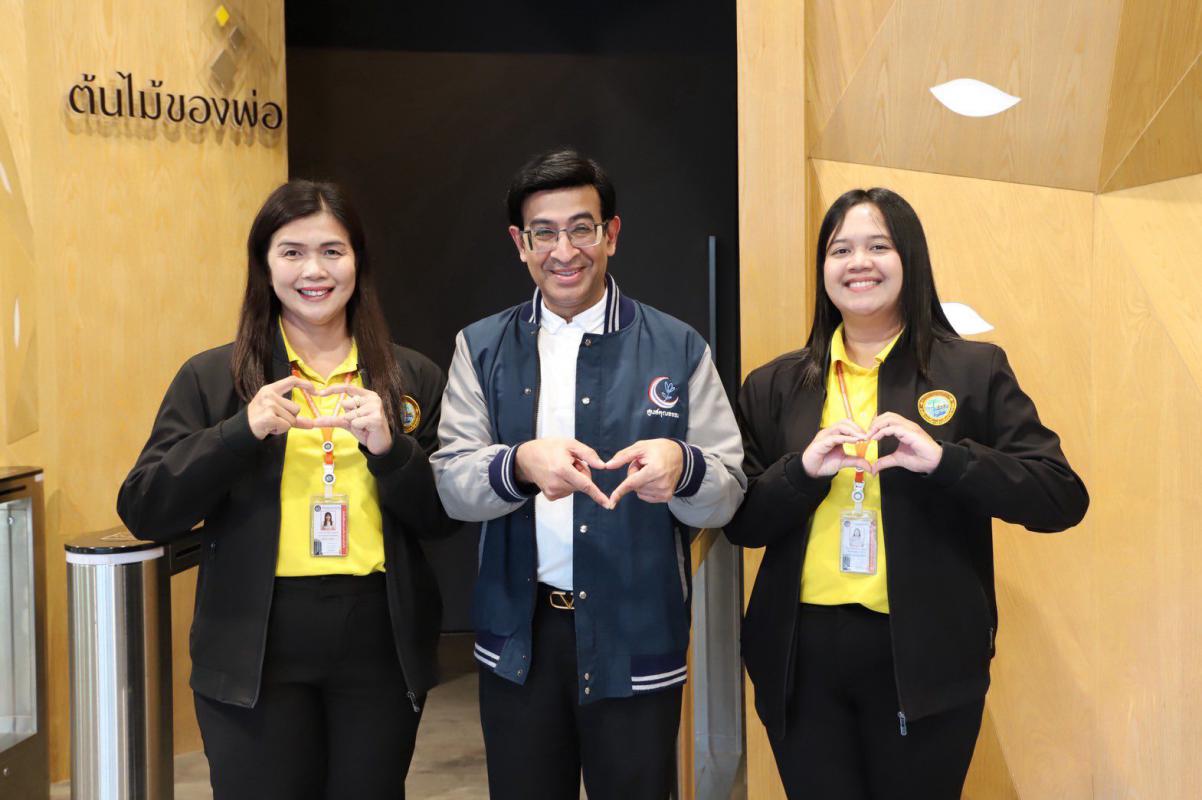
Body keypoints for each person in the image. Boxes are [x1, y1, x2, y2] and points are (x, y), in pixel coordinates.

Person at [724, 188, 1088, 799]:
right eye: (840, 250)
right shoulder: (776, 383)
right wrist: (800, 474)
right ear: (823, 269)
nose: (858, 263)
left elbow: (1061, 496)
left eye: (878, 246)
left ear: (910, 259)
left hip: (926, 658)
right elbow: (742, 524)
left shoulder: (973, 370)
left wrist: (949, 461)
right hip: (799, 658)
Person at [117, 180, 449, 800]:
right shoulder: (214, 376)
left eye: (332, 251)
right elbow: (145, 507)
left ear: (358, 262)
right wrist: (237, 433)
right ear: (265, 266)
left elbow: (442, 518)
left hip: (378, 640)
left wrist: (391, 451)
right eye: (292, 252)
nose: (313, 271)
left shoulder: (410, 376)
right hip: (253, 641)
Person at [431, 148, 746, 799]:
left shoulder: (678, 346)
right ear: (520, 243)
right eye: (543, 233)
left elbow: (728, 492)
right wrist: (518, 464)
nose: (564, 251)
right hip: (521, 639)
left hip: (636, 633)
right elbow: (453, 484)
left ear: (612, 234)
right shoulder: (480, 346)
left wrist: (685, 468)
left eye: (582, 228)